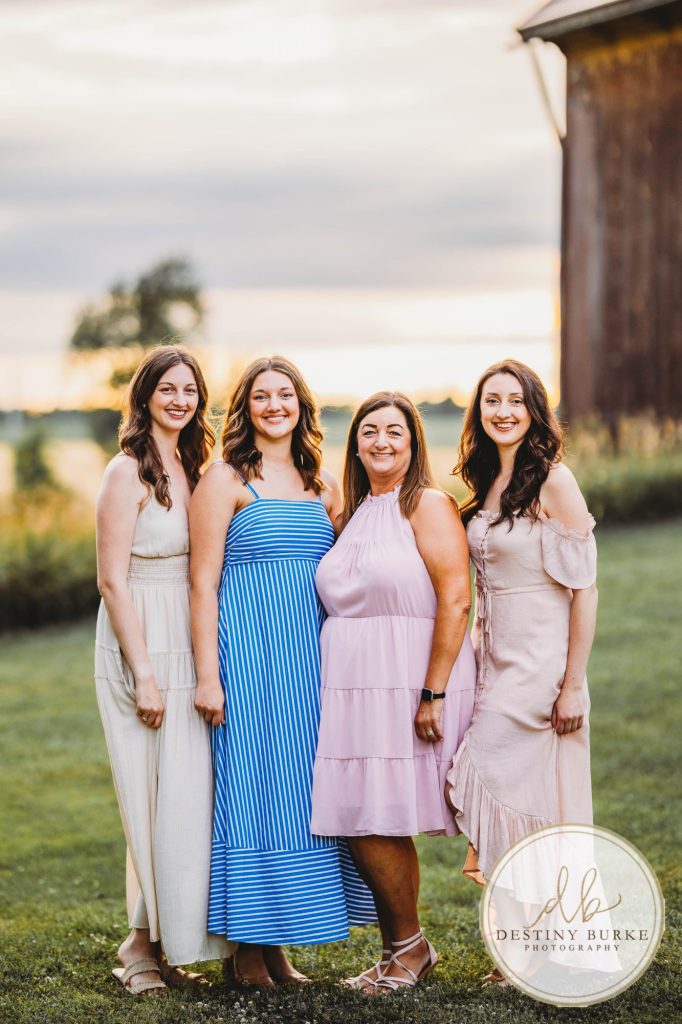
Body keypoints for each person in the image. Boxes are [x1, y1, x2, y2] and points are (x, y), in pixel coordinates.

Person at [189, 356, 375, 988]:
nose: (275, 405)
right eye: (262, 396)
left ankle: (277, 948)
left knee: (298, 796)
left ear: (301, 406)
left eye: (285, 395)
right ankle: (245, 951)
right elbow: (201, 581)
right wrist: (208, 676)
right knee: (251, 793)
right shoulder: (225, 479)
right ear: (245, 408)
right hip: (247, 660)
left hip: (310, 662)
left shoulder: (320, 482)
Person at [309, 391, 477, 994]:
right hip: (353, 685)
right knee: (362, 812)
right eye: (370, 432)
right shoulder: (351, 512)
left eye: (395, 433)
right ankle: (402, 949)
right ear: (355, 444)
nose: (381, 442)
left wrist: (431, 693)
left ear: (413, 443)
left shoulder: (427, 505)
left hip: (407, 680)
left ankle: (409, 950)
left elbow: (456, 597)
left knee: (376, 814)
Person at [445, 359, 597, 979]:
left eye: (515, 400)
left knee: (497, 780)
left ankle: (544, 944)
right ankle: (523, 948)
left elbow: (585, 589)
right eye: (491, 402)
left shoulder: (552, 480)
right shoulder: (485, 480)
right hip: (492, 658)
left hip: (540, 663)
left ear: (535, 409)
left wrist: (572, 683)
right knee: (516, 798)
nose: (502, 411)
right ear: (478, 413)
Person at [95, 345, 233, 996]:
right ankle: (137, 952)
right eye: (168, 389)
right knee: (144, 794)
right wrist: (142, 673)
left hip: (187, 628)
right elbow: (110, 581)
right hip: (140, 635)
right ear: (145, 395)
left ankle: (163, 942)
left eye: (190, 391)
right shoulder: (125, 472)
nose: (180, 400)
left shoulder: (193, 464)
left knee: (180, 799)